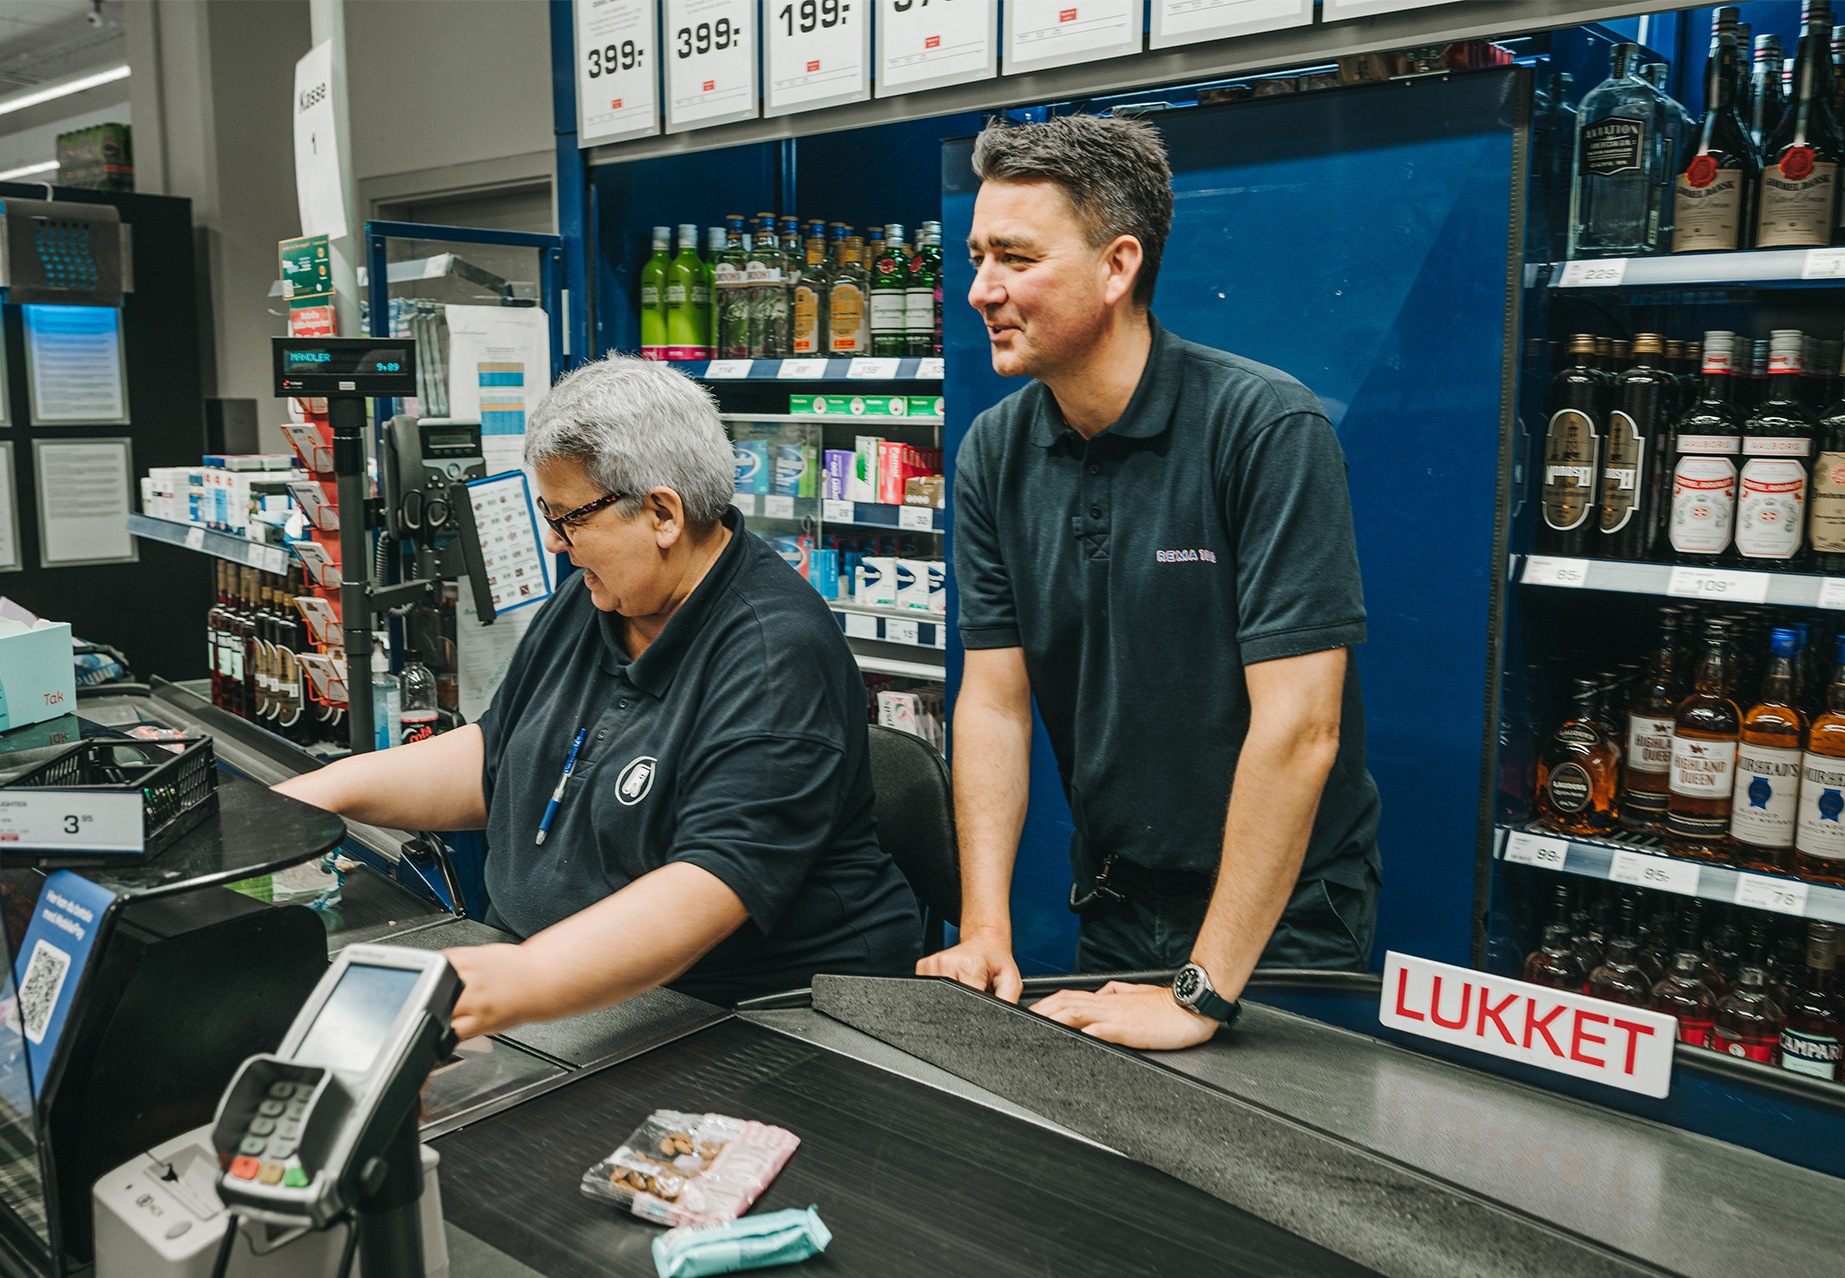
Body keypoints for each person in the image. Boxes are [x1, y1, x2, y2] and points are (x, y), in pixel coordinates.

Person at [277, 355, 920, 1039]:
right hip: (572, 990)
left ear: (663, 513)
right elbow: (499, 759)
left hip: (742, 1013)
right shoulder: (602, 597)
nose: (556, 543)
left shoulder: (774, 653)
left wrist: (506, 985)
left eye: (568, 518)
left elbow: (707, 887)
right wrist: (319, 795)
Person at [917, 114, 1381, 1051]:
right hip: (1121, 901)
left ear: (1118, 267)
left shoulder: (1265, 430)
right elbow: (995, 704)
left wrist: (1201, 993)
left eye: (1014, 256)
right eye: (976, 256)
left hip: (1284, 916)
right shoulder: (994, 454)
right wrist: (984, 930)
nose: (981, 290)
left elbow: (1301, 731)